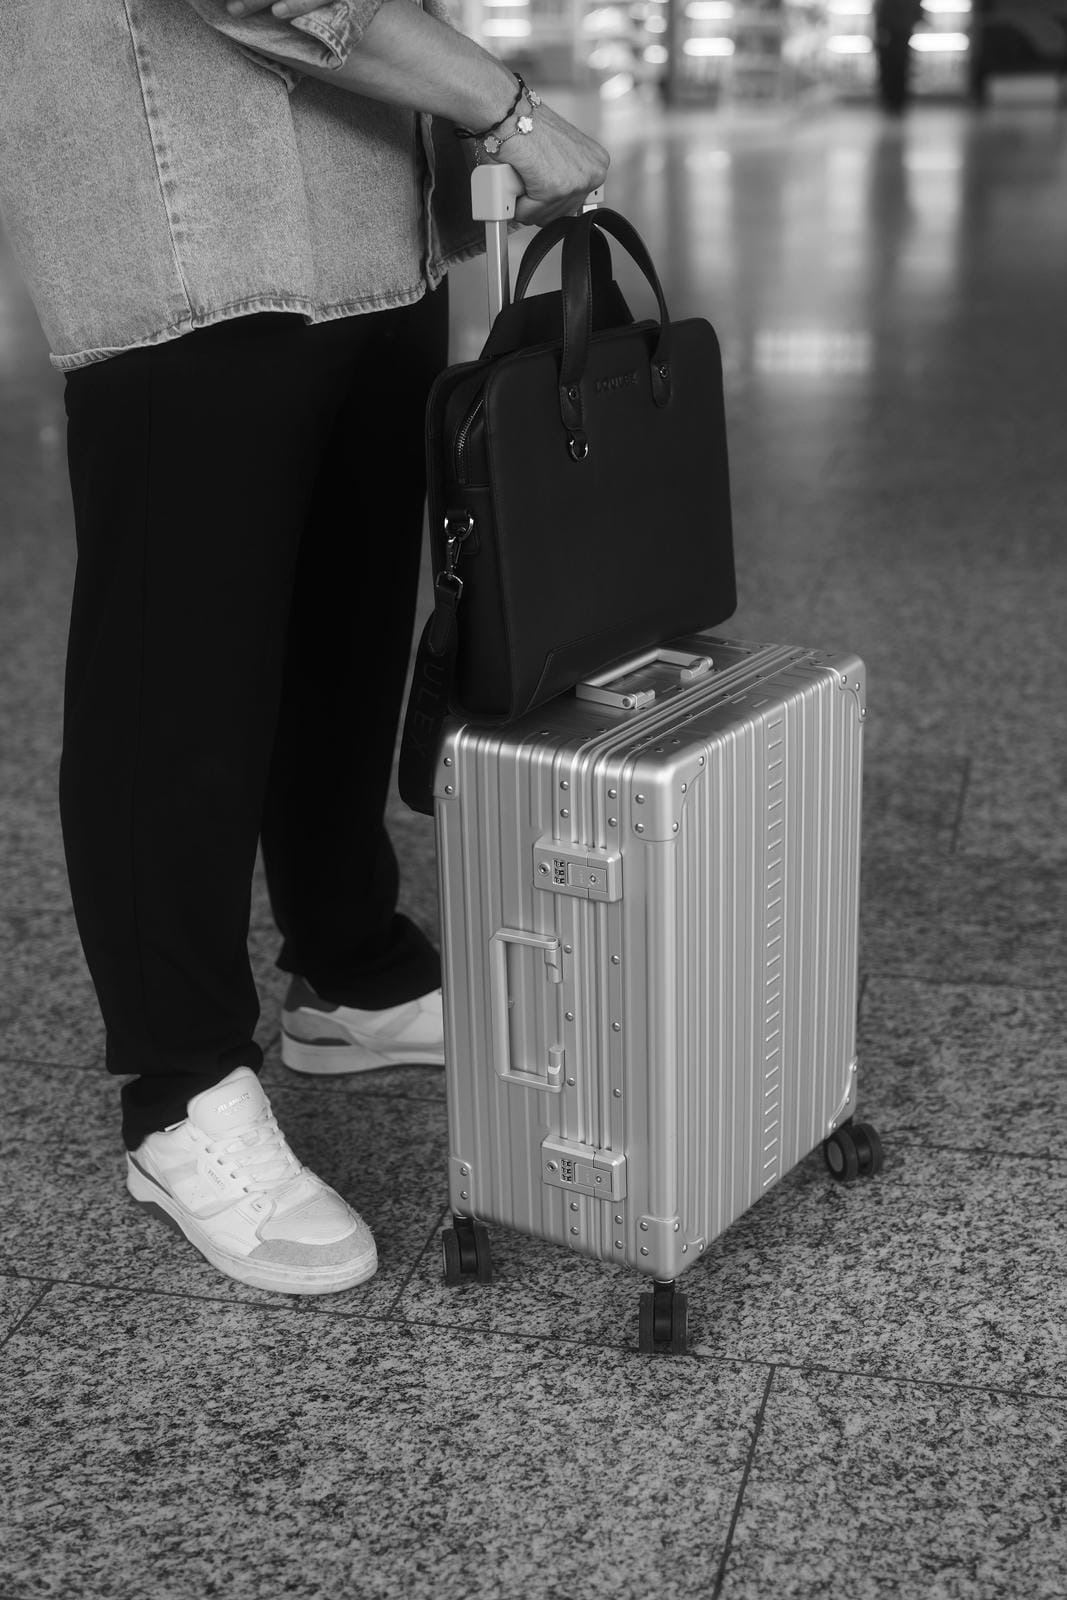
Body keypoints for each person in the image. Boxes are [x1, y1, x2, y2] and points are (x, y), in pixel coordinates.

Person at [0, 0, 608, 1296]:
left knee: (338, 637)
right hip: (185, 237)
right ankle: (178, 1093)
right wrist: (496, 103)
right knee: (178, 685)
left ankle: (350, 967)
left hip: (367, 235)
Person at [873, 0, 925, 114]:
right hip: (900, 35)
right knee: (899, 69)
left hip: (892, 36)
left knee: (893, 69)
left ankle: (893, 101)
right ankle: (897, 101)